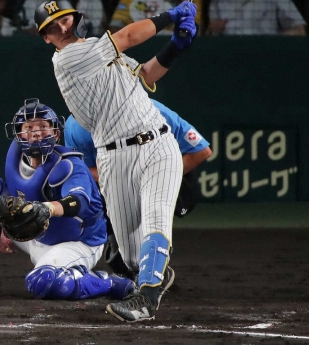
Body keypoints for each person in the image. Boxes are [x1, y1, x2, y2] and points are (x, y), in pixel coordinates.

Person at [33, 0, 198, 323]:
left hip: (157, 143)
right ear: (47, 38)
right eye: (52, 27)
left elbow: (146, 75)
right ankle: (153, 270)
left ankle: (146, 300)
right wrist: (171, 16)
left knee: (155, 219)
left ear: (77, 17)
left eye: (64, 19)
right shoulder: (69, 58)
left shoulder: (100, 52)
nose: (62, 28)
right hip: (113, 157)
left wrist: (176, 46)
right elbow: (127, 37)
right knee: (131, 253)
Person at [0, 98, 135, 302]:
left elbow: (77, 201)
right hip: (36, 233)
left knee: (43, 282)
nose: (36, 133)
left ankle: (108, 282)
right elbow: (14, 199)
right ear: (19, 134)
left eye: (43, 127)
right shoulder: (17, 160)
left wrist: (46, 209)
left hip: (76, 241)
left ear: (56, 133)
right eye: (29, 127)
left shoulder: (69, 164)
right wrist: (1, 224)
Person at [64, 99, 212, 278]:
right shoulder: (79, 125)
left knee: (153, 217)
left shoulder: (154, 110)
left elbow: (201, 151)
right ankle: (118, 244)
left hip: (172, 174)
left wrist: (159, 177)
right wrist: (121, 182)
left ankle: (155, 262)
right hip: (115, 181)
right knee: (123, 260)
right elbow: (84, 170)